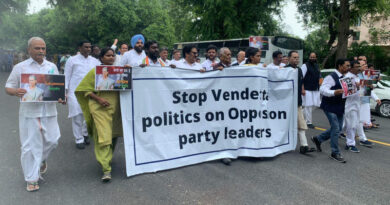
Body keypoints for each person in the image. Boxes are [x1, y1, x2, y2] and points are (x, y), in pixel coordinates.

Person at [5, 37, 64, 192]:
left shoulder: (51, 66)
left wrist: (61, 97)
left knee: (53, 140)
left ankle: (41, 159)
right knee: (29, 146)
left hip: (49, 111)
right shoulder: (20, 68)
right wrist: (15, 91)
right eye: (37, 48)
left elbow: (57, 88)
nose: (41, 51)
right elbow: (8, 86)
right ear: (29, 50)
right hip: (29, 112)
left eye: (43, 48)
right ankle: (31, 179)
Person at [75, 47, 124, 182]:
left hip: (116, 109)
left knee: (113, 135)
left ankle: (106, 159)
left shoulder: (119, 72)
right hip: (99, 109)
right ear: (101, 58)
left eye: (112, 56)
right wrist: (99, 99)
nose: (111, 58)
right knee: (104, 136)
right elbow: (84, 89)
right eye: (107, 56)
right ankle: (106, 169)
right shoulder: (95, 72)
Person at [311, 59, 350, 163]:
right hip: (329, 106)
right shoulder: (331, 77)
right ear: (340, 66)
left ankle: (318, 139)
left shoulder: (346, 78)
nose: (348, 67)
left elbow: (349, 91)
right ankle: (335, 152)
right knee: (336, 128)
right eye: (347, 65)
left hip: (340, 106)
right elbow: (323, 90)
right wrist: (334, 92)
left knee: (337, 128)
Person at [65, 40, 100, 149]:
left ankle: (85, 134)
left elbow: (99, 76)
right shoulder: (72, 60)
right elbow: (66, 76)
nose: (88, 49)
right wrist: (64, 92)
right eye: (86, 47)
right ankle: (78, 139)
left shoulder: (95, 61)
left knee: (89, 115)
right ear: (80, 48)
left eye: (90, 47)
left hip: (90, 92)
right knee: (77, 115)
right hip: (74, 92)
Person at [284, 51, 316, 154]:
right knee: (285, 125)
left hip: (297, 102)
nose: (296, 59)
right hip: (286, 103)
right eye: (294, 57)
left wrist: (302, 89)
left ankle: (304, 146)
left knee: (301, 124)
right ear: (289, 58)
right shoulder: (285, 70)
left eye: (297, 58)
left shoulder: (299, 70)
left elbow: (301, 82)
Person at [343, 60, 374, 152]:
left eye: (359, 66)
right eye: (357, 67)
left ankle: (321, 138)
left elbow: (364, 92)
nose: (359, 68)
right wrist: (356, 87)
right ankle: (350, 144)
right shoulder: (347, 77)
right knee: (351, 125)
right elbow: (346, 94)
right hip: (350, 105)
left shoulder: (359, 77)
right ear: (351, 68)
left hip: (357, 104)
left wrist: (369, 88)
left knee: (348, 125)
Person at [358, 59, 381, 129]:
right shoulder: (354, 75)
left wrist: (376, 98)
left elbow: (368, 88)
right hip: (355, 100)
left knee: (362, 121)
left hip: (364, 99)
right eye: (363, 65)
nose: (366, 66)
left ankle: (362, 136)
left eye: (366, 64)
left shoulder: (366, 74)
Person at [302, 52, 322, 129]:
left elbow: (319, 76)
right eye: (311, 57)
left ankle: (300, 115)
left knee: (316, 104)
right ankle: (308, 122)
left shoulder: (316, 66)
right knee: (308, 106)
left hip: (315, 88)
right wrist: (302, 89)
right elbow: (301, 78)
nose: (313, 58)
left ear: (316, 58)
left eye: (314, 57)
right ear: (309, 57)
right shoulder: (305, 65)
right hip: (307, 89)